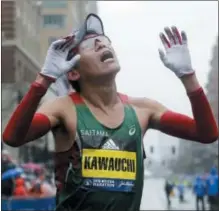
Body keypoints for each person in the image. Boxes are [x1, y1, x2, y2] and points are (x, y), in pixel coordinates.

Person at [3, 13, 218, 211]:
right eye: (88, 44)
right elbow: (12, 137)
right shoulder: (64, 108)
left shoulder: (143, 110)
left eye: (105, 41)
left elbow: (207, 133)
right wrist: (44, 79)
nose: (100, 43)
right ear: (74, 72)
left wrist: (189, 77)